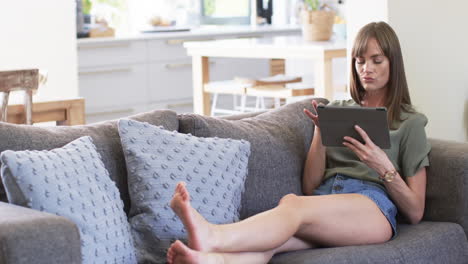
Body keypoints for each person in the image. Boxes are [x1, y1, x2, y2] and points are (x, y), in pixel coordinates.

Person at [166, 21, 431, 264]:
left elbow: (415, 211)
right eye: (359, 61)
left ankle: (213, 235)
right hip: (326, 197)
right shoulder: (337, 109)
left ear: (393, 63)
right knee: (277, 242)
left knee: (292, 204)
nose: (366, 69)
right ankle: (213, 260)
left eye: (376, 60)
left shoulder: (410, 123)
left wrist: (383, 166)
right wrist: (321, 133)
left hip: (372, 206)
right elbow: (311, 185)